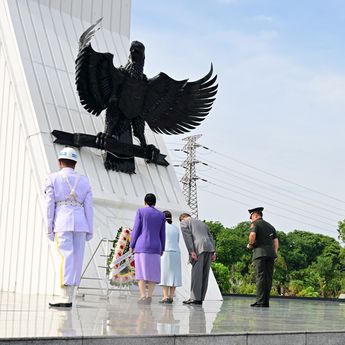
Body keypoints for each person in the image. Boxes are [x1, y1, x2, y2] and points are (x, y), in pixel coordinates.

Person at [45, 147, 93, 308]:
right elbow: (89, 207)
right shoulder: (84, 181)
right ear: (75, 164)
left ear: (60, 162)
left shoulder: (52, 178)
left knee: (65, 257)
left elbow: (49, 205)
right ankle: (70, 295)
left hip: (63, 221)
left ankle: (64, 296)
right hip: (80, 223)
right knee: (77, 258)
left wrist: (49, 227)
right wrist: (90, 228)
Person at [130, 193, 165, 304]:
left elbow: (136, 229)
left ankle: (142, 296)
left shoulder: (141, 211)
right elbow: (162, 233)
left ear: (145, 201)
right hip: (156, 247)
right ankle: (149, 296)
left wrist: (132, 244)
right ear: (155, 202)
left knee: (141, 272)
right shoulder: (161, 215)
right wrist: (162, 247)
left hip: (142, 246)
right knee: (153, 273)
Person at [179, 213, 216, 305]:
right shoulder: (202, 223)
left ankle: (194, 298)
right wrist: (214, 252)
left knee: (196, 274)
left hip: (198, 248)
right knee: (204, 274)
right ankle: (200, 298)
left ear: (182, 218)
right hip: (209, 247)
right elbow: (211, 237)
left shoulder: (184, 223)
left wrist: (192, 251)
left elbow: (188, 238)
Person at [247, 207, 279, 308]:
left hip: (260, 253)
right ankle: (265, 302)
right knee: (268, 278)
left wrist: (250, 245)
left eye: (251, 217)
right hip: (271, 254)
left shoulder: (255, 224)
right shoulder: (271, 226)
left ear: (255, 215)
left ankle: (260, 301)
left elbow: (252, 235)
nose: (251, 219)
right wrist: (275, 252)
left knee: (260, 277)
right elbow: (276, 241)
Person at [159, 210, 182, 304]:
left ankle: (165, 297)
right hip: (176, 252)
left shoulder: (161, 227)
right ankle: (171, 297)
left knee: (165, 274)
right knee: (174, 275)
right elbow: (177, 241)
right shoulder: (176, 228)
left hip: (165, 252)